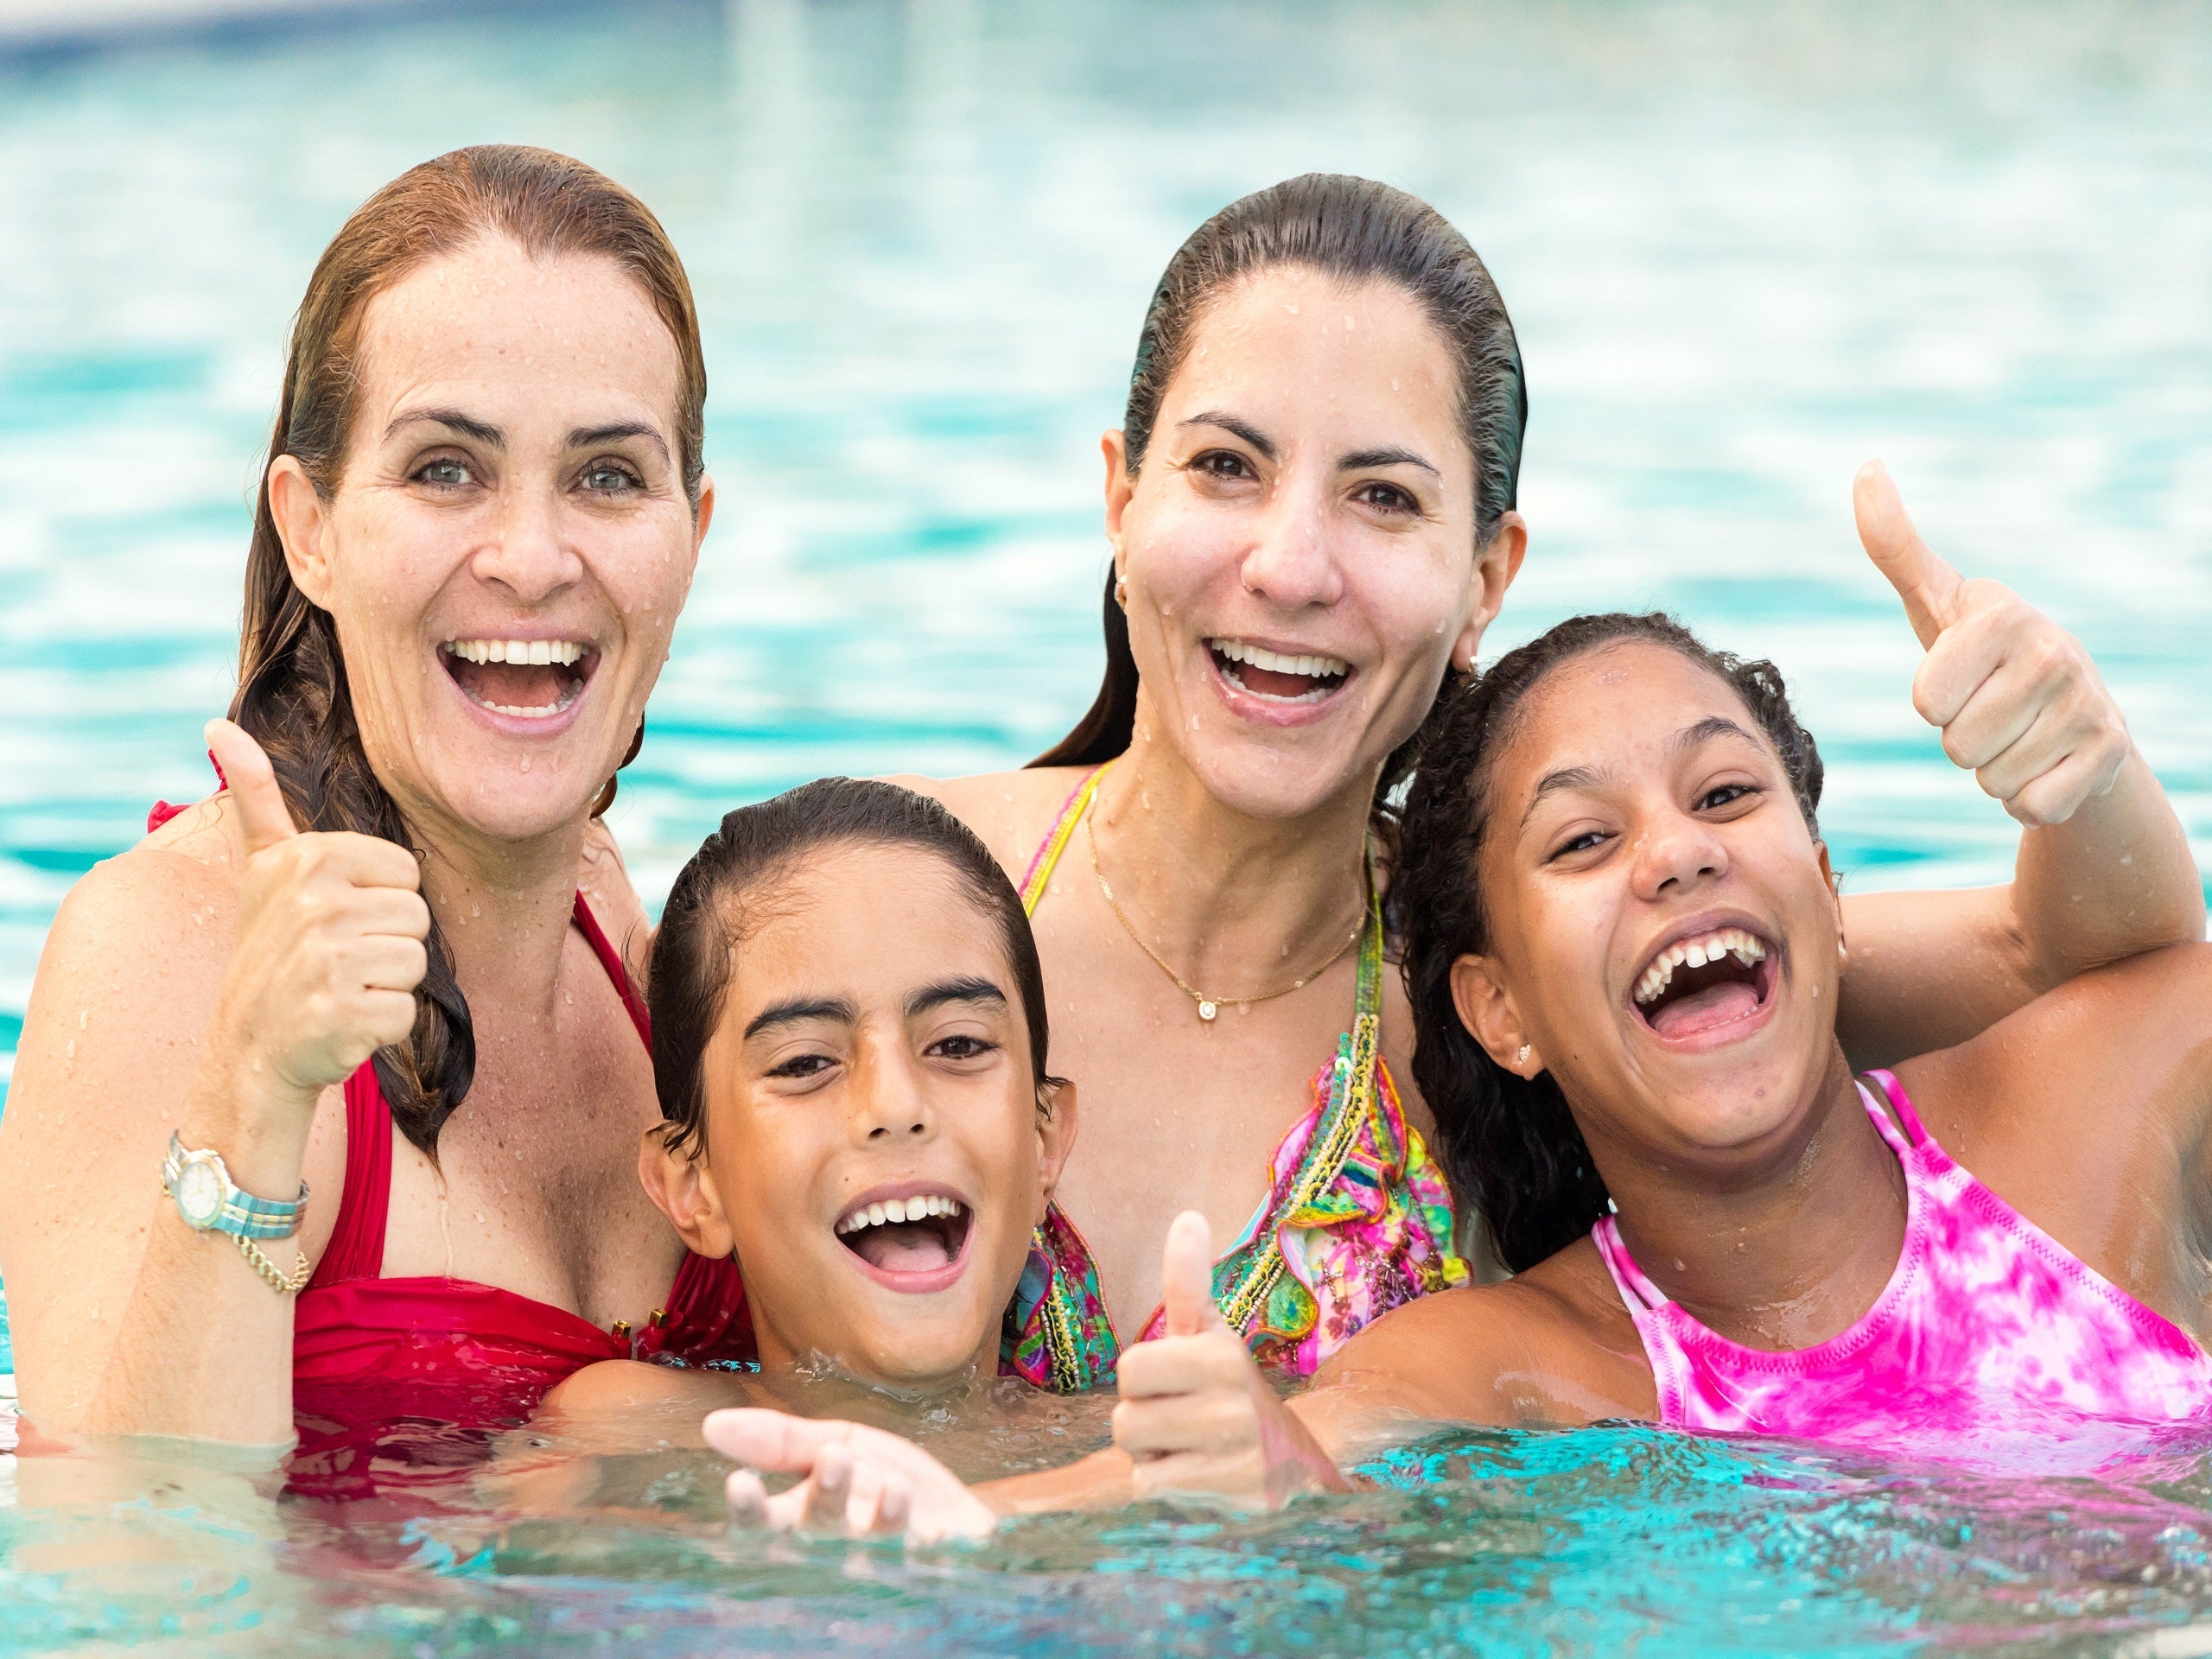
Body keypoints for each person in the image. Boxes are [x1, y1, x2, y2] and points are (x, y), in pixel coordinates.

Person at [883, 174, 2205, 1375]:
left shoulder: (1538, 978)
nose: (1290, 567)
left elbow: (2085, 955)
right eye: (1226, 467)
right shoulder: (894, 895)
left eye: (1383, 497)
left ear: (1485, 579)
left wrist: (2076, 764)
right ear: (1122, 502)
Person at [699, 610, 2212, 1537]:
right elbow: (1279, 1458)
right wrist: (961, 1522)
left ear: (1824, 890)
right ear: (1498, 1012)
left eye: (1724, 794)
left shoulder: (2088, 1114)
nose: (1677, 854)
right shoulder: (1517, 1366)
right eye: (1584, 840)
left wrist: (2086, 769)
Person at [0, 145, 744, 1459]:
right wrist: (254, 1088)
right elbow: (131, 1545)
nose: (532, 558)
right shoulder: (162, 951)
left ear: (693, 535)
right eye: (446, 469)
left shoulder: (638, 953)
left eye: (607, 475)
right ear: (312, 529)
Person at [536, 777, 1089, 1432]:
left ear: (1044, 1141)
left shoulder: (1153, 1442)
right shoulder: (628, 1432)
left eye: (958, 1045)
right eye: (805, 1064)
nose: (895, 1105)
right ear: (693, 1186)